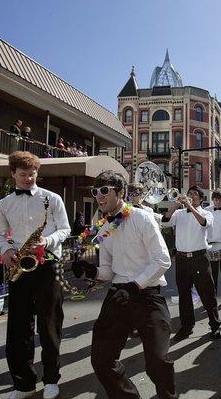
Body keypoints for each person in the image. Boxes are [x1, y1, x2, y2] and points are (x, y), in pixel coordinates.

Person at [72, 170, 178, 399]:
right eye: (95, 191)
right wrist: (92, 271)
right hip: (118, 295)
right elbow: (110, 271)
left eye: (104, 190)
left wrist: (135, 285)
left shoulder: (142, 218)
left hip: (148, 296)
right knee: (101, 360)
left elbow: (162, 260)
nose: (99, 196)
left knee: (158, 361)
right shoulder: (104, 228)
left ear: (120, 192)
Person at [0, 151, 70, 399]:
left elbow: (65, 229)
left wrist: (48, 240)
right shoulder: (4, 204)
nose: (28, 179)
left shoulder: (53, 198)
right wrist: (5, 250)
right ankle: (23, 383)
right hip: (20, 268)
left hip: (47, 265)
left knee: (49, 326)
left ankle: (51, 379)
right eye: (23, 175)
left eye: (32, 174)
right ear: (13, 173)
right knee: (18, 329)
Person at [161, 186, 221, 340]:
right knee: (184, 294)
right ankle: (187, 326)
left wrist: (190, 207)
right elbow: (165, 221)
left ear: (201, 199)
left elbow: (204, 223)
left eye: (195, 194)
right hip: (181, 259)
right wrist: (175, 204)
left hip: (199, 258)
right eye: (189, 194)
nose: (191, 196)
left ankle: (214, 325)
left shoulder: (206, 212)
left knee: (207, 293)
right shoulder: (179, 213)